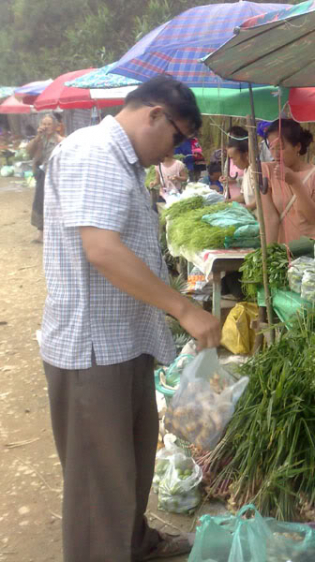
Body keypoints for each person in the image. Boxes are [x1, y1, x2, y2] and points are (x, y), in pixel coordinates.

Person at [40, 75, 221, 562]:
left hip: (124, 342)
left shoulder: (122, 164)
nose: (172, 152)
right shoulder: (94, 153)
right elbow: (101, 249)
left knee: (132, 465)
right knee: (100, 480)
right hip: (92, 349)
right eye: (177, 136)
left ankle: (135, 544)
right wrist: (182, 307)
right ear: (154, 113)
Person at [260, 119, 315, 245]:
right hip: (282, 252)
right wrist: (268, 256)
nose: (276, 154)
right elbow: (270, 218)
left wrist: (295, 182)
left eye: (281, 148)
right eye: (272, 148)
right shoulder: (266, 170)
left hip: (312, 252)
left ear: (297, 147)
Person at [27, 114, 64, 242]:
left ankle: (52, 232)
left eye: (49, 124)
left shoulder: (60, 140)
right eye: (44, 124)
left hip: (54, 176)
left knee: (54, 203)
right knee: (39, 201)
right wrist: (37, 137)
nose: (46, 127)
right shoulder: (39, 140)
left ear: (55, 126)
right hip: (41, 175)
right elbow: (28, 152)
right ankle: (40, 232)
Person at [221, 125, 256, 210]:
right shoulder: (246, 170)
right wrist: (226, 202)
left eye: (234, 158)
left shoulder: (255, 171)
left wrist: (246, 208)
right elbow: (243, 196)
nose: (233, 162)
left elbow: (261, 198)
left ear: (246, 154)